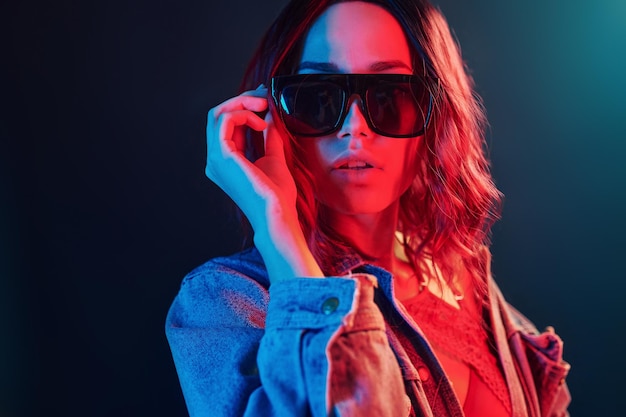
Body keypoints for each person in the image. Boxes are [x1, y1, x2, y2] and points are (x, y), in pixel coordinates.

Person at [165, 0, 571, 416]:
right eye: (317, 97)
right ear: (273, 115)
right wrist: (276, 227)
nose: (354, 126)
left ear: (437, 113)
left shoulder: (466, 282)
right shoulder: (228, 303)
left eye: (389, 94)